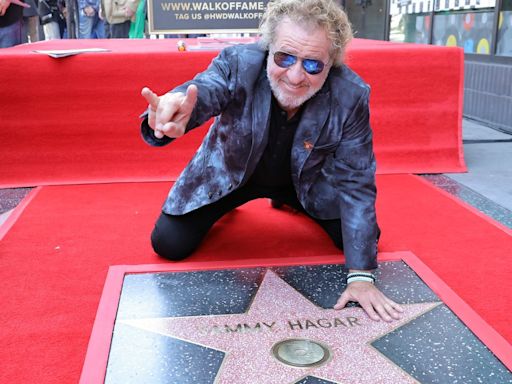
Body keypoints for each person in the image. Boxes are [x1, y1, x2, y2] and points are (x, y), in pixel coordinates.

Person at [140, 0, 404, 322]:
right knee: (168, 243)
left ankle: (289, 203)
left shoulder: (351, 94)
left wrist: (362, 277)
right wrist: (176, 111)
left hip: (304, 184)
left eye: (312, 65)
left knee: (365, 240)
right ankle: (229, 205)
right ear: (268, 48)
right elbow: (205, 91)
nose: (295, 76)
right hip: (232, 176)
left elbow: (357, 183)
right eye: (284, 57)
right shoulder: (237, 63)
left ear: (331, 63)